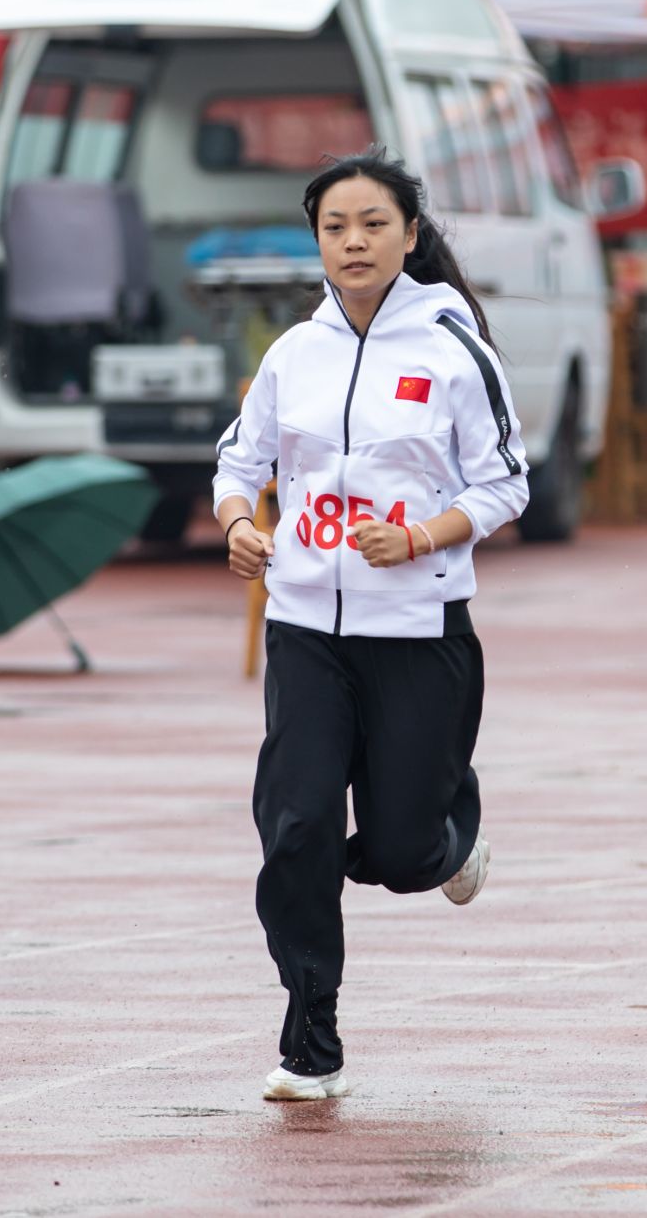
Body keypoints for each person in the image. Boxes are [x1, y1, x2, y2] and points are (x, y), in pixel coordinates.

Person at [213, 149, 529, 1101]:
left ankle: (450, 831)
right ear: (317, 240)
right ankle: (311, 1037)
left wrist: (425, 534)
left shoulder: (451, 348)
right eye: (335, 227)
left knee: (396, 854)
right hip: (306, 628)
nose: (353, 242)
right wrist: (238, 524)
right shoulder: (291, 354)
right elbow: (241, 462)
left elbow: (507, 479)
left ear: (409, 235)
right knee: (297, 826)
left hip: (419, 633)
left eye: (373, 224)